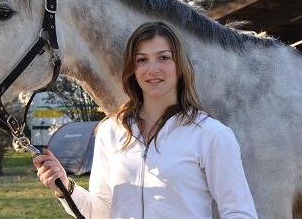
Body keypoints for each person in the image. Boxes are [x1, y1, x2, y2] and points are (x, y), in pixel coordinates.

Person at [34, 21, 257, 218]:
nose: (153, 69)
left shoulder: (211, 135)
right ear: (133, 69)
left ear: (179, 66)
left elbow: (239, 212)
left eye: (163, 58)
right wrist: (65, 186)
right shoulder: (110, 131)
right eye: (142, 60)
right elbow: (101, 212)